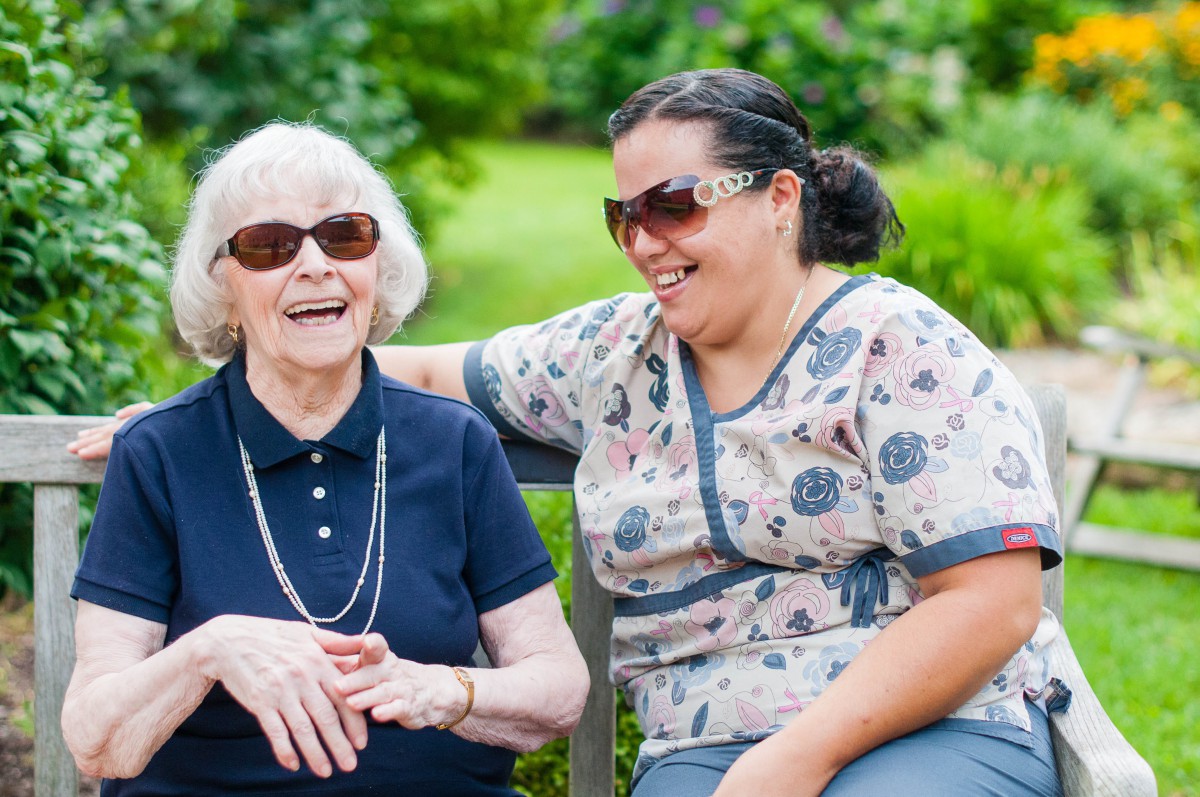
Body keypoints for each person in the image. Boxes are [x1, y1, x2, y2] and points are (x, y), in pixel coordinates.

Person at [72, 69, 1068, 796]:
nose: (643, 239)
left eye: (673, 205)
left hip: (920, 731)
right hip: (701, 750)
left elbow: (990, 602)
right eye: (623, 212)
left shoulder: (903, 348)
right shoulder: (613, 353)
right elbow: (394, 365)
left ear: (779, 199)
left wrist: (792, 761)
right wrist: (200, 410)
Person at [61, 122, 589, 796]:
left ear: (376, 264)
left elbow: (559, 685)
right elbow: (93, 737)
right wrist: (208, 651)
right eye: (269, 246)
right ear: (223, 287)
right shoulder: (162, 453)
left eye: (344, 236)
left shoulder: (453, 441)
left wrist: (437, 689)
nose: (315, 264)